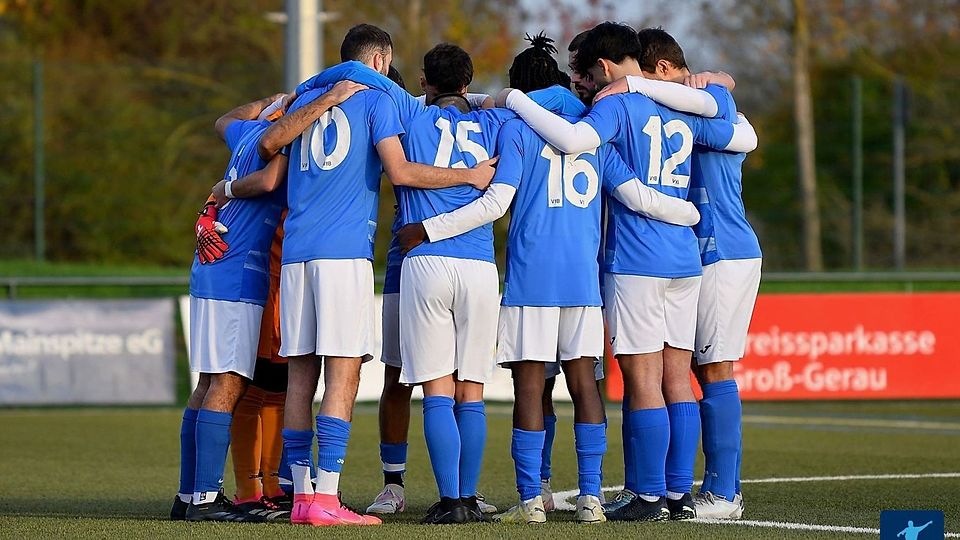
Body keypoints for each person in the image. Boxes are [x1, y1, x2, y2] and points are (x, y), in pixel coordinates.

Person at [401, 33, 701, 525]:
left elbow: (497, 201)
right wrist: (689, 213)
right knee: (585, 388)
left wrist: (428, 228)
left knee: (531, 390)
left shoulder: (516, 126)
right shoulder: (593, 126)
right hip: (583, 281)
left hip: (531, 280)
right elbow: (633, 193)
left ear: (520, 88)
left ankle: (530, 502)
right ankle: (590, 499)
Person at [497, 21, 757, 522]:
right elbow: (739, 136)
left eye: (591, 75)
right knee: (678, 379)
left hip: (637, 259)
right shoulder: (678, 101)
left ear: (605, 66)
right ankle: (681, 495)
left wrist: (513, 100)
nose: (591, 87)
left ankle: (649, 495)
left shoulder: (616, 105)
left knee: (643, 382)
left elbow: (575, 140)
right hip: (686, 258)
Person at [271, 25, 496, 527]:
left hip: (296, 253)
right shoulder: (380, 100)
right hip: (346, 252)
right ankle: (327, 498)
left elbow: (268, 145)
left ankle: (301, 494)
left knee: (300, 377)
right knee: (346, 373)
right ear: (382, 60)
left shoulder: (308, 94)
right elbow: (401, 170)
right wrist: (471, 174)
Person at [594, 27, 759, 520]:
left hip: (721, 250)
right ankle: (661, 488)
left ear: (662, 71)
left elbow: (743, 134)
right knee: (675, 374)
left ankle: (723, 493)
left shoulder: (699, 103)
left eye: (646, 75)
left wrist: (638, 88)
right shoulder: (692, 100)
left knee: (713, 370)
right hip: (691, 251)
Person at [366, 54, 497, 518]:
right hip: (478, 263)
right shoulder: (495, 119)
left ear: (423, 80)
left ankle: (449, 495)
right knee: (447, 383)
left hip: (419, 257)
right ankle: (404, 483)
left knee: (430, 386)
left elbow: (372, 90)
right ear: (468, 80)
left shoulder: (409, 112)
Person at [171, 93, 287, 523]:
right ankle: (205, 499)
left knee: (207, 383)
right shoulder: (280, 141)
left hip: (211, 268)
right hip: (237, 272)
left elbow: (224, 118)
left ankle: (187, 496)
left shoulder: (246, 131)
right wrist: (229, 189)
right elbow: (271, 181)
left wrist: (267, 102)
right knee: (229, 383)